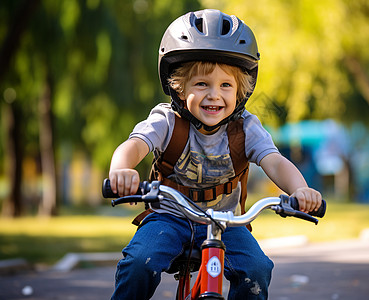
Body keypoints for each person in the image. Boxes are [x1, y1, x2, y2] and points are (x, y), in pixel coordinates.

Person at [108, 9, 322, 300]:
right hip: (169, 219)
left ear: (241, 91)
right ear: (180, 88)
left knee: (257, 270)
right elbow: (134, 145)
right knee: (138, 264)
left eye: (225, 85)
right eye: (201, 84)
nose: (214, 95)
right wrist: (121, 169)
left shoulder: (246, 128)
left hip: (224, 224)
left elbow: (275, 161)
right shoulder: (167, 121)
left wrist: (301, 190)